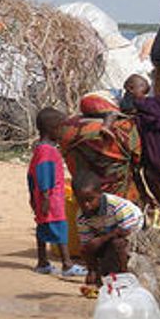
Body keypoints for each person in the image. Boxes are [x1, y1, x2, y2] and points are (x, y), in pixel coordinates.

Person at [28, 108, 87, 276]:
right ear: (53, 129)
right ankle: (67, 264)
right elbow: (44, 174)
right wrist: (46, 197)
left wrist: (34, 197)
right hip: (51, 199)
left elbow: (31, 175)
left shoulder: (40, 149)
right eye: (62, 128)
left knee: (42, 227)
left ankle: (42, 262)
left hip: (41, 197)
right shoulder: (48, 151)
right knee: (60, 228)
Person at [59, 92, 142, 203]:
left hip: (84, 199)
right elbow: (138, 160)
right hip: (122, 198)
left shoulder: (67, 129)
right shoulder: (123, 127)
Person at [74, 172, 144, 298]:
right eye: (81, 201)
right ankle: (95, 276)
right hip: (107, 232)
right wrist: (91, 268)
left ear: (100, 195)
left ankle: (124, 276)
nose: (86, 205)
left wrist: (102, 240)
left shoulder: (117, 207)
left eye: (90, 200)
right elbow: (86, 243)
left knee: (118, 244)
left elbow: (125, 231)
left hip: (132, 231)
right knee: (87, 249)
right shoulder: (82, 216)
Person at [123, 74, 160, 219]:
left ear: (131, 89)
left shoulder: (140, 103)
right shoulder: (159, 102)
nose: (127, 94)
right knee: (157, 176)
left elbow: (127, 109)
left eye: (128, 90)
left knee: (150, 175)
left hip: (157, 145)